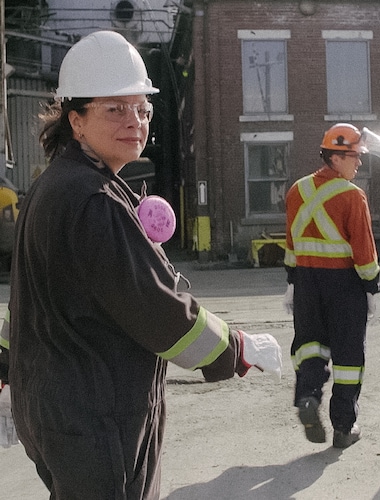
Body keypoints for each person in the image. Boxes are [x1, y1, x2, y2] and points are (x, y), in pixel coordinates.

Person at [0, 30, 281, 499]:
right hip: (96, 418)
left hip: (54, 411)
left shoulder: (50, 189)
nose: (135, 121)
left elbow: (27, 300)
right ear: (77, 120)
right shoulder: (94, 201)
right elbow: (156, 310)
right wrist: (236, 349)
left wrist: (6, 361)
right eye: (115, 109)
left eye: (142, 109)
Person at [283, 123, 380, 448]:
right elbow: (363, 250)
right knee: (348, 357)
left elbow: (291, 242)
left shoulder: (296, 191)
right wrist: (372, 287)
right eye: (355, 156)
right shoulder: (352, 196)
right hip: (344, 284)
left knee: (310, 348)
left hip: (305, 282)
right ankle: (344, 428)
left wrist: (291, 281)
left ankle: (308, 396)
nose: (359, 162)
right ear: (336, 157)